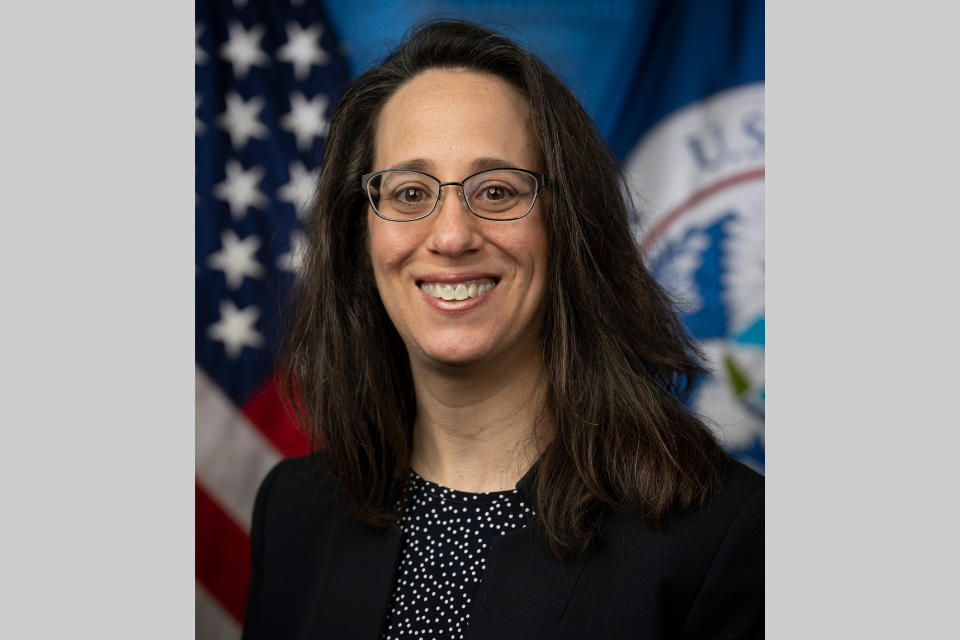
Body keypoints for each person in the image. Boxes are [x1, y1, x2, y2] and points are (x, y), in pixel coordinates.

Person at [241, 19, 763, 640]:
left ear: (567, 227)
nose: (453, 235)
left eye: (496, 191)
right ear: (362, 235)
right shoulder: (294, 510)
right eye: (410, 192)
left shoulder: (718, 532)